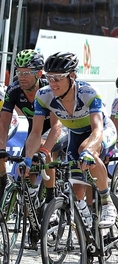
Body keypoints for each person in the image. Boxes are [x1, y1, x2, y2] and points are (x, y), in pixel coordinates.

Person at [26, 51, 117, 230]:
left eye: (58, 78)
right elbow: (36, 132)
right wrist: (28, 160)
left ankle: (107, 203)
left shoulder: (88, 92)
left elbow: (97, 129)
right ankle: (86, 226)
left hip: (100, 130)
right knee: (77, 188)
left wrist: (90, 151)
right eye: (49, 77)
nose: (53, 83)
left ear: (72, 76)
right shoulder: (43, 96)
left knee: (86, 149)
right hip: (75, 133)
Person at [0, 49, 61, 204]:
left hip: (57, 128)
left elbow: (56, 126)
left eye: (26, 73)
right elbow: (3, 122)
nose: (22, 77)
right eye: (19, 72)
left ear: (39, 73)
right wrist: (2, 147)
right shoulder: (13, 89)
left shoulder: (49, 89)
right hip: (34, 130)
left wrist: (45, 150)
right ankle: (5, 182)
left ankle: (50, 199)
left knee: (42, 149)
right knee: (26, 172)